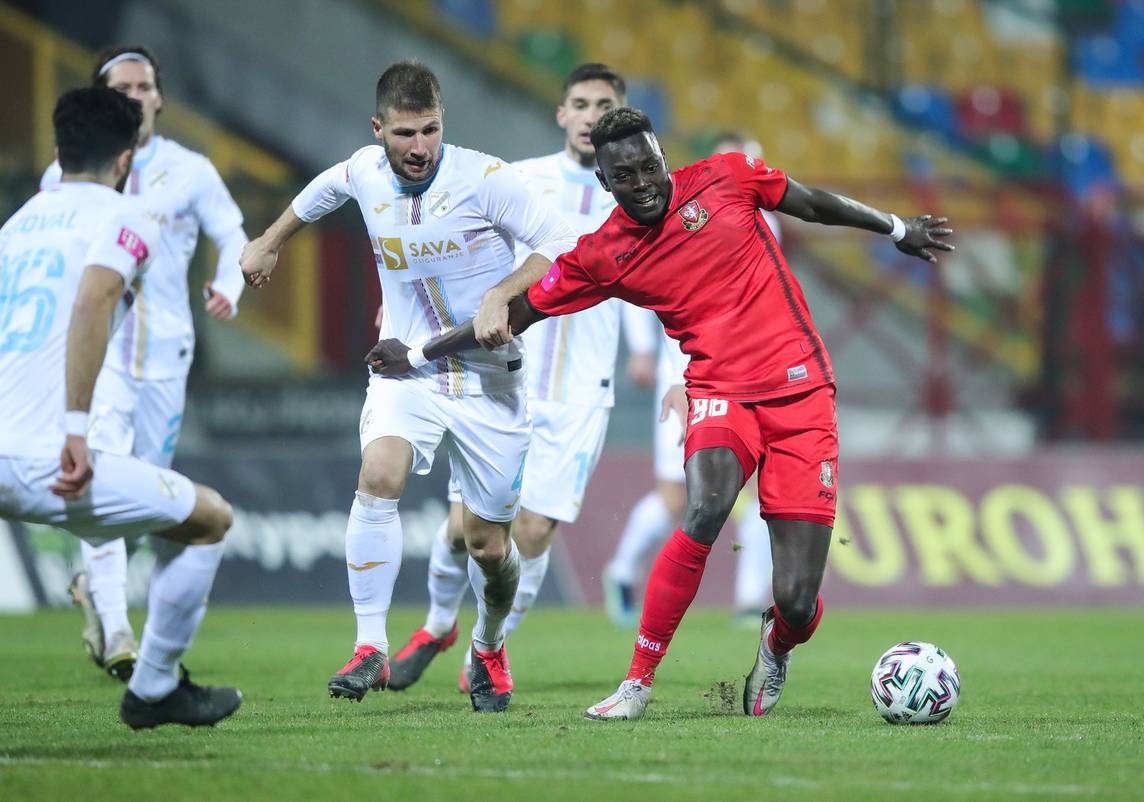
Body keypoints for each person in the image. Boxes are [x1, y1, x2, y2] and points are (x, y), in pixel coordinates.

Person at [364, 107, 953, 720]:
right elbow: (514, 319)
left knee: (798, 602)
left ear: (662, 157)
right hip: (721, 390)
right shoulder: (605, 254)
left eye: (650, 166)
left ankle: (776, 644)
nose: (643, 182)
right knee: (703, 509)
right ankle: (637, 683)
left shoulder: (727, 177)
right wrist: (417, 351)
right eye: (626, 175)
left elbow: (809, 203)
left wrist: (895, 229)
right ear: (606, 184)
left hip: (803, 393)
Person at [239, 61, 576, 712]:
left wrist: (503, 293)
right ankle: (370, 646)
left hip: (489, 380)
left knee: (488, 545)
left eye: (430, 130)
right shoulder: (365, 169)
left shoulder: (484, 178)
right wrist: (270, 240)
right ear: (378, 130)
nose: (420, 147)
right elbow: (324, 189)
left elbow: (561, 243)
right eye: (404, 133)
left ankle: (487, 642)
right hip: (405, 365)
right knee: (379, 472)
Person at [0, 86, 240, 729]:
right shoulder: (130, 218)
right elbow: (93, 300)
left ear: (57, 153)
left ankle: (110, 622)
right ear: (127, 161)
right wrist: (75, 429)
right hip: (50, 457)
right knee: (210, 519)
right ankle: (156, 685)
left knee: (108, 528)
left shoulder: (14, 227)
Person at [387, 64, 629, 694]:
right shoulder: (518, 179)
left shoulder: (639, 192)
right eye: (580, 102)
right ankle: (439, 624)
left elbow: (669, 287)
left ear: (621, 113)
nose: (591, 114)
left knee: (532, 530)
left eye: (605, 104)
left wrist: (680, 373)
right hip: (500, 378)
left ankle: (487, 648)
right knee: (463, 531)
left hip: (582, 390)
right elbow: (449, 248)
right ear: (562, 113)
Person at [606, 131, 780, 628]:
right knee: (676, 499)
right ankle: (622, 569)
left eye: (756, 161)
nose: (751, 171)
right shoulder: (677, 210)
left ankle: (750, 600)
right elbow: (634, 282)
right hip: (686, 372)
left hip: (753, 374)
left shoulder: (767, 222)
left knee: (764, 490)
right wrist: (644, 350)